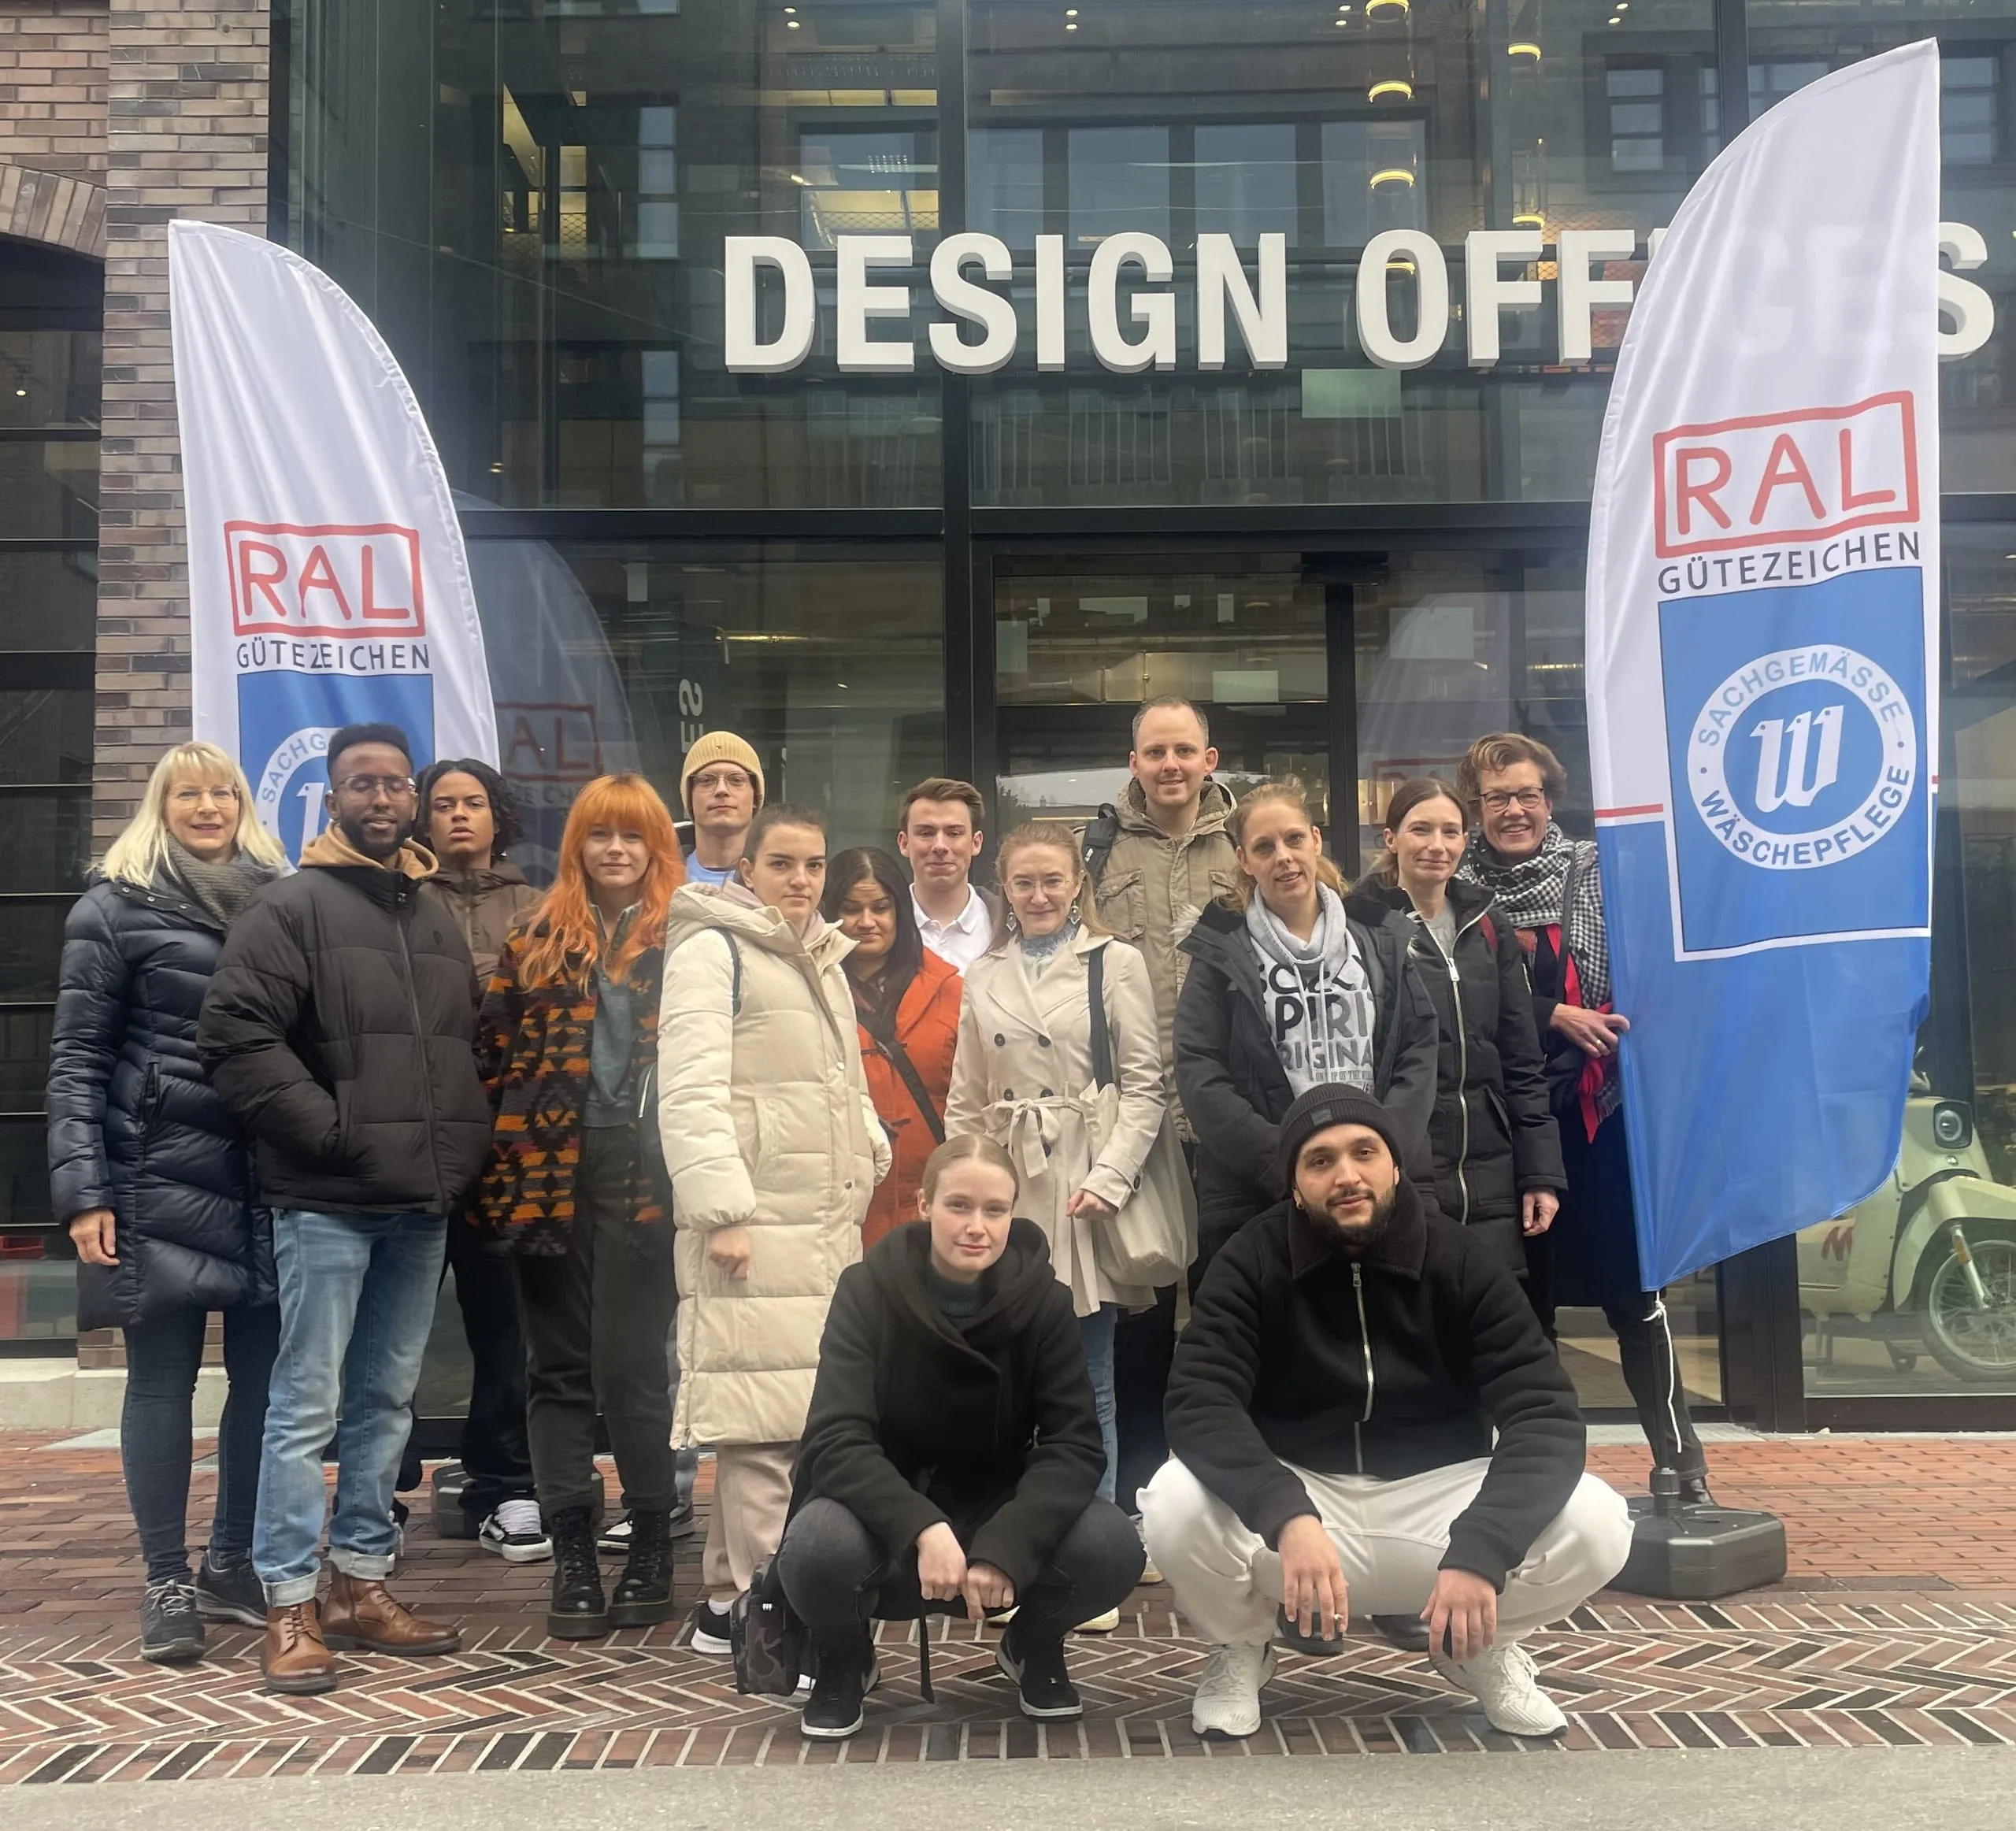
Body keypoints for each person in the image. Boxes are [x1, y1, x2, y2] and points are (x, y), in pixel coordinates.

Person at [1140, 1086, 1633, 1741]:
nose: (1346, 1175)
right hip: (1305, 1506)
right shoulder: (1252, 1260)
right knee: (1171, 1501)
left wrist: (1484, 1547)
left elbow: (1543, 1412)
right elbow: (1199, 1400)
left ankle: (1477, 1646)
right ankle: (1241, 1646)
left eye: (1363, 1152)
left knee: (1598, 1520)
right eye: (1320, 1161)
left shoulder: (1461, 1260)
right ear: (1295, 1184)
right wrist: (1285, 1513)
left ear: (1394, 1165)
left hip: (1439, 1503)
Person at [198, 722, 489, 1696]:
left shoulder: (435, 914)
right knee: (304, 1404)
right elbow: (236, 1035)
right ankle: (287, 1602)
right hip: (326, 1198)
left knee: (387, 1403)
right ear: (330, 799)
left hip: (420, 1202)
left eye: (395, 784)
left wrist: (463, 1141)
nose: (381, 798)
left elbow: (462, 1047)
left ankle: (361, 1584)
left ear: (413, 799)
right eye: (360, 784)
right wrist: (332, 1131)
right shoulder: (290, 908)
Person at [46, 742, 287, 1663]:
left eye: (223, 791)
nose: (207, 806)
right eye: (188, 793)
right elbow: (74, 1061)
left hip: (267, 1173)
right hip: (155, 1178)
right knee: (161, 1382)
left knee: (264, 1385)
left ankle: (233, 1562)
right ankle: (164, 1578)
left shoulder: (282, 899)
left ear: (242, 804)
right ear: (162, 804)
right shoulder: (113, 908)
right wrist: (84, 1194)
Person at [779, 1136, 1144, 1740]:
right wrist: (920, 1526)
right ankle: (844, 1657)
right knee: (816, 1546)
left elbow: (1074, 1442)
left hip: (996, 1504)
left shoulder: (1046, 1302)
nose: (977, 1226)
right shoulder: (864, 1290)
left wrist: (1010, 1542)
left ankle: (1033, 1643)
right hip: (884, 1509)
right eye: (958, 1205)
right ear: (924, 1205)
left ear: (1013, 1215)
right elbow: (835, 1435)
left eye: (995, 1210)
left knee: (1112, 1544)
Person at [1455, 733, 1713, 1503]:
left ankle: (1680, 1463)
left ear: (1550, 798)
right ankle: (1537, 1481)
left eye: (1527, 794)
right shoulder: (1452, 887)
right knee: (1521, 1312)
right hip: (1503, 1125)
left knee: (1634, 1297)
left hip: (1602, 1117)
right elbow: (1455, 1003)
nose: (1513, 810)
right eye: (1496, 798)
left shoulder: (1602, 873)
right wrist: (1552, 1013)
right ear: (1475, 808)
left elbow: (1658, 967)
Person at [658, 804, 891, 1654]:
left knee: (776, 1412)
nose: (801, 881)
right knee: (766, 1429)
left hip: (818, 1224)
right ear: (745, 869)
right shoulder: (710, 953)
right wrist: (722, 1212)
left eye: (814, 865)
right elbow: (689, 1092)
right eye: (783, 864)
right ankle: (777, 1621)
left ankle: (730, 1601)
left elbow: (840, 1083)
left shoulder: (818, 957)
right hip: (755, 1223)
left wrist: (868, 1153)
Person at [475, 774, 685, 1640]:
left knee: (633, 1368)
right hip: (546, 1167)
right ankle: (570, 1545)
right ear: (577, 845)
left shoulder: (689, 936)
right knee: (556, 1369)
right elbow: (490, 1051)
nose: (615, 851)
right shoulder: (533, 934)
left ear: (654, 848)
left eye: (632, 837)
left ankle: (649, 1545)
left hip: (647, 1175)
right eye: (600, 835)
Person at [943, 818, 1185, 1559]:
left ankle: (1094, 1545)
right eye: (1024, 882)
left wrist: (1109, 1179)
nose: (1040, 894)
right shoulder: (983, 974)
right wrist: (966, 1193)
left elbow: (1146, 1088)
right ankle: (1010, 1534)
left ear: (1078, 882)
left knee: (1088, 1377)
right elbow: (967, 1098)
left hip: (1082, 1187)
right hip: (1008, 1191)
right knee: (1003, 1376)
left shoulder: (1114, 962)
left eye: (1053, 879)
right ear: (1005, 890)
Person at [1084, 697, 1243, 1540]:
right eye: (1156, 751)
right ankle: (1142, 1494)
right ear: (1135, 760)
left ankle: (1218, 1490)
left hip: (1222, 1116)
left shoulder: (1247, 846)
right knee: (1140, 1316)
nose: (1171, 764)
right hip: (1134, 1123)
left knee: (1221, 1311)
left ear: (1209, 757)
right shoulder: (1098, 849)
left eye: (1185, 749)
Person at [1173, 781, 1440, 1277]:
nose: (1284, 857)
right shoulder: (1219, 952)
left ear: (1316, 841)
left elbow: (1418, 1051)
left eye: (1294, 839)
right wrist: (1289, 1167)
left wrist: (1378, 1157)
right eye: (1264, 847)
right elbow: (1199, 1071)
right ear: (1244, 860)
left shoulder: (1382, 937)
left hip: (1380, 1191)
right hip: (1258, 1195)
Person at [401, 756, 544, 1562]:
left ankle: (504, 1485)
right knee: (392, 1331)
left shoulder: (538, 906)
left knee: (505, 1329)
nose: (459, 815)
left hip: (504, 1149)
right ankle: (381, 1493)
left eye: (474, 803)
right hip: (410, 1145)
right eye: (444, 804)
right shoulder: (394, 898)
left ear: (500, 816)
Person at [1358, 777, 1565, 1267]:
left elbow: (1521, 1056)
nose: (1437, 846)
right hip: (1408, 1162)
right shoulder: (1358, 926)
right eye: (1420, 830)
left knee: (1497, 1325)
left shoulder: (1489, 925)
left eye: (1451, 832)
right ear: (1391, 839)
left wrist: (1540, 1173)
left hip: (1491, 1166)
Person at [824, 846, 963, 1251]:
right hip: (847, 1210)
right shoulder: (809, 990)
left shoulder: (951, 990)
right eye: (850, 909)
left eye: (881, 908)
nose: (866, 923)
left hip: (934, 1206)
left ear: (900, 911)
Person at [898, 778, 1000, 973]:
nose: (940, 846)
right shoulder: (880, 927)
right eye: (926, 833)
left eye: (953, 833)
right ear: (904, 843)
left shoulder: (1010, 928)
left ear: (976, 842)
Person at [679, 730, 765, 888]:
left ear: (755, 796)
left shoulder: (777, 880)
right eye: (706, 780)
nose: (721, 790)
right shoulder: (656, 879)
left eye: (736, 780)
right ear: (690, 797)